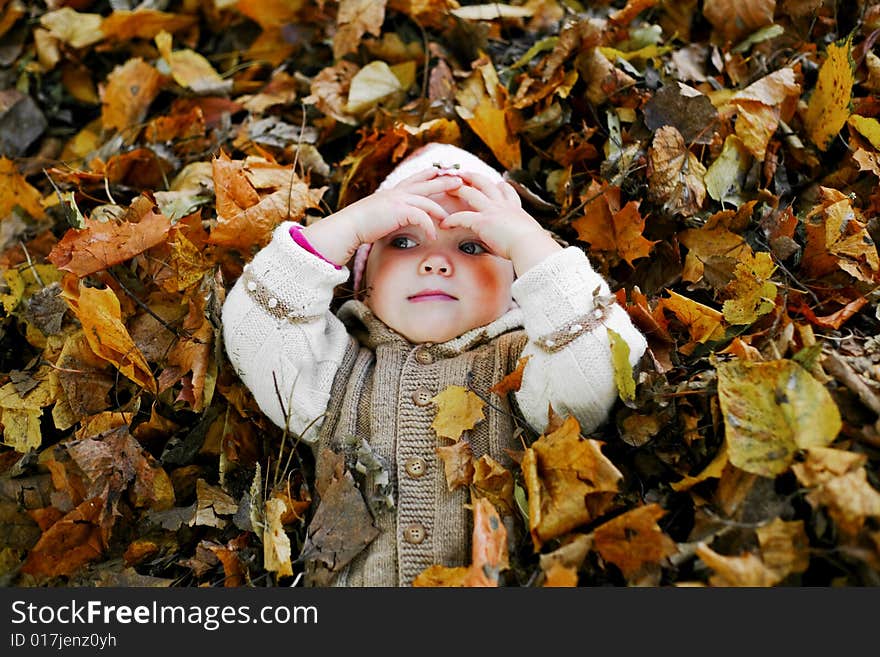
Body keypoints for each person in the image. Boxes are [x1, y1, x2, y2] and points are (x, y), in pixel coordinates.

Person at [221, 142, 648, 586]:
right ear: (363, 282)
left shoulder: (525, 366)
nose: (436, 262)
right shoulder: (337, 371)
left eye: (472, 246)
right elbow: (256, 333)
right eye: (403, 241)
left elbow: (597, 378)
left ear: (519, 282)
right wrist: (345, 227)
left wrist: (531, 244)